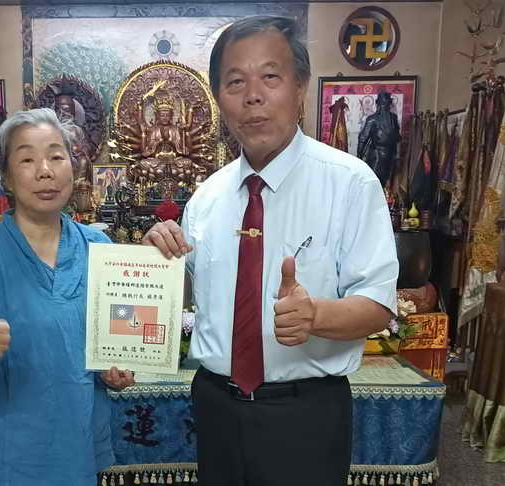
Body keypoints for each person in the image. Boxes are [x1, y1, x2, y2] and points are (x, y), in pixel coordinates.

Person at [142, 16, 398, 486]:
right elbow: (179, 299)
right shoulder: (207, 197)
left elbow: (378, 305)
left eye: (270, 76)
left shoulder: (350, 183)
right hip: (216, 409)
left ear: (300, 86)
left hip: (306, 415)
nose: (253, 96)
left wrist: (315, 315)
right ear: (219, 97)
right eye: (235, 82)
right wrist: (151, 262)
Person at [0, 108, 135, 486]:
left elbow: (118, 339)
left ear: (73, 166)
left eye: (56, 156)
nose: (45, 171)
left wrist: (116, 370)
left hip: (79, 446)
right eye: (27, 159)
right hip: (10, 454)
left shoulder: (100, 250)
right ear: (6, 177)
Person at [357, 91, 401, 187]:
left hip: (379, 156)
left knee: (375, 182)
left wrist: (359, 156)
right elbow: (398, 138)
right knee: (379, 183)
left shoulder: (374, 119)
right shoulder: (392, 118)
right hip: (385, 156)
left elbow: (363, 138)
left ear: (378, 104)